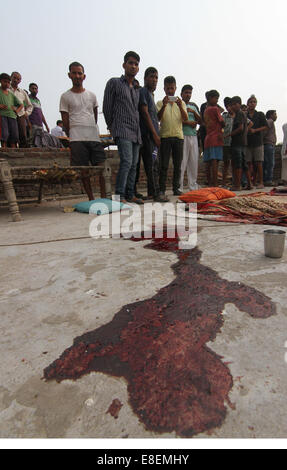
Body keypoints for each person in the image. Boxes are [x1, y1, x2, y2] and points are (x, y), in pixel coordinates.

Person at [60, 62, 106, 201]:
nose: (77, 76)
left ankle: (104, 198)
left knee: (101, 168)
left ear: (84, 76)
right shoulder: (65, 96)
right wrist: (72, 134)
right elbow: (65, 120)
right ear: (69, 75)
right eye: (74, 73)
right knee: (83, 170)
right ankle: (91, 199)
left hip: (93, 136)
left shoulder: (91, 95)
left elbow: (95, 115)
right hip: (76, 138)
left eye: (80, 73)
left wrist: (90, 129)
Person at [103, 51, 143, 204]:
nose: (133, 66)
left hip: (135, 130)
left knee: (134, 164)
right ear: (124, 65)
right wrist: (111, 126)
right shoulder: (114, 83)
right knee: (126, 161)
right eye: (130, 63)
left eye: (136, 64)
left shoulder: (136, 89)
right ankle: (119, 196)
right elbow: (107, 106)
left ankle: (130, 193)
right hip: (122, 128)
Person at [156, 76, 188, 197]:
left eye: (172, 88)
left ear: (175, 88)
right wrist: (164, 105)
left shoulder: (182, 103)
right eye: (168, 88)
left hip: (178, 137)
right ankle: (162, 189)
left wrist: (180, 105)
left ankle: (176, 188)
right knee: (163, 165)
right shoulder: (160, 103)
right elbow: (158, 119)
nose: (170, 91)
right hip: (164, 136)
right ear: (164, 89)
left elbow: (185, 119)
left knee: (177, 165)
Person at [139, 67, 167, 202]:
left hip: (154, 135)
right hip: (148, 136)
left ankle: (152, 192)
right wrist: (154, 134)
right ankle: (155, 193)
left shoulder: (151, 95)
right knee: (152, 165)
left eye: (156, 77)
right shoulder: (143, 91)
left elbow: (154, 116)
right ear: (145, 79)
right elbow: (144, 113)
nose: (154, 80)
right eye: (152, 77)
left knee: (155, 164)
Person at [228, 96, 252, 191]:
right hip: (242, 142)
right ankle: (249, 184)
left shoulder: (239, 114)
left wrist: (229, 134)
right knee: (243, 164)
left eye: (234, 104)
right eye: (232, 105)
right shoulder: (241, 114)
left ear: (239, 104)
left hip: (237, 142)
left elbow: (240, 128)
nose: (233, 106)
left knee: (237, 163)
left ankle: (237, 185)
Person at [179, 84, 201, 192]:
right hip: (182, 135)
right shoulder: (179, 104)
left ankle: (193, 186)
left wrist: (193, 112)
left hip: (193, 136)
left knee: (193, 162)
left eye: (190, 93)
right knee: (182, 162)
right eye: (186, 92)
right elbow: (176, 120)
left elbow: (201, 121)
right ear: (181, 94)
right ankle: (179, 187)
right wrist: (189, 122)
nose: (188, 95)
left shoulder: (194, 106)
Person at [203, 90, 225, 187]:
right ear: (211, 98)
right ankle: (215, 183)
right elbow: (222, 122)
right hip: (216, 137)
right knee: (215, 160)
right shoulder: (215, 109)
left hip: (208, 138)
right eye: (216, 98)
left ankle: (210, 182)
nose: (217, 100)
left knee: (208, 162)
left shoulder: (206, 110)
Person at [246, 95, 268, 189]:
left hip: (258, 141)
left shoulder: (260, 114)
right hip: (247, 142)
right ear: (247, 104)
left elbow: (266, 126)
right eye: (251, 102)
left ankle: (261, 182)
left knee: (259, 163)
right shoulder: (244, 115)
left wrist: (255, 130)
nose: (252, 103)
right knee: (248, 163)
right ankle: (250, 182)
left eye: (254, 102)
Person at [10, 72, 33, 147]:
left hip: (20, 115)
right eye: (14, 78)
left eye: (18, 79)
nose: (16, 80)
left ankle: (24, 155)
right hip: (8, 115)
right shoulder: (5, 89)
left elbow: (30, 105)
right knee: (9, 134)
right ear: (11, 77)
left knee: (22, 135)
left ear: (20, 81)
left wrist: (26, 113)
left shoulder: (22, 92)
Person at [0, 73, 23, 148]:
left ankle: (14, 150)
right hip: (2, 115)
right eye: (4, 82)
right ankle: (4, 149)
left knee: (14, 134)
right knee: (4, 134)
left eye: (8, 82)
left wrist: (16, 111)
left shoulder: (10, 94)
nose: (6, 84)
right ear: (1, 81)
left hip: (12, 116)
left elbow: (21, 105)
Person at [222, 97, 235, 188]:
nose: (229, 108)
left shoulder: (239, 115)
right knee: (226, 163)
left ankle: (235, 181)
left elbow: (249, 124)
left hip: (236, 143)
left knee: (235, 163)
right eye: (227, 106)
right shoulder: (224, 116)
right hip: (226, 143)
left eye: (230, 106)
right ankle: (224, 182)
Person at [263, 110, 277, 186]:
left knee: (266, 163)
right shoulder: (270, 121)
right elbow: (265, 131)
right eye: (275, 114)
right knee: (270, 163)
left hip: (268, 144)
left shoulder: (270, 122)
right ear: (271, 115)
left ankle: (266, 179)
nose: (276, 116)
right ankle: (268, 179)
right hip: (268, 144)